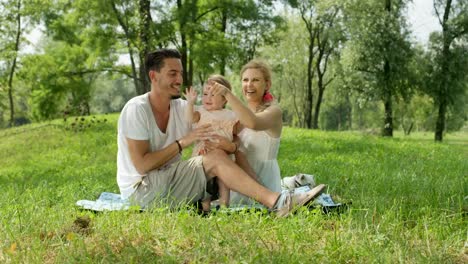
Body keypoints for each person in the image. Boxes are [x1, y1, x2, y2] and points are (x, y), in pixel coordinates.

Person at [116, 48, 325, 217]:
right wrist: (184, 142)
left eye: (180, 73)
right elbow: (142, 165)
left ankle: (282, 190)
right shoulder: (137, 109)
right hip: (142, 190)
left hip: (173, 181)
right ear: (153, 76)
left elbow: (226, 124)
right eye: (172, 73)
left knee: (219, 160)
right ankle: (279, 202)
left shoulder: (183, 108)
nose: (179, 79)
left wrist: (229, 144)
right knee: (215, 160)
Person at [207, 60, 284, 206]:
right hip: (238, 181)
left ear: (267, 85)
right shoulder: (235, 117)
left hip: (264, 181)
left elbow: (253, 123)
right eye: (245, 80)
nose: (249, 85)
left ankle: (270, 199)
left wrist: (227, 94)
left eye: (255, 80)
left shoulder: (274, 112)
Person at [184, 75, 248, 210]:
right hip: (204, 151)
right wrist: (190, 102)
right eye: (205, 94)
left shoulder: (230, 115)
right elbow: (190, 119)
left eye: (213, 94)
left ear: (224, 99)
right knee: (204, 181)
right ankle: (204, 207)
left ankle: (224, 205)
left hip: (224, 153)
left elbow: (238, 130)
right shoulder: (201, 112)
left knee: (224, 180)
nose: (207, 98)